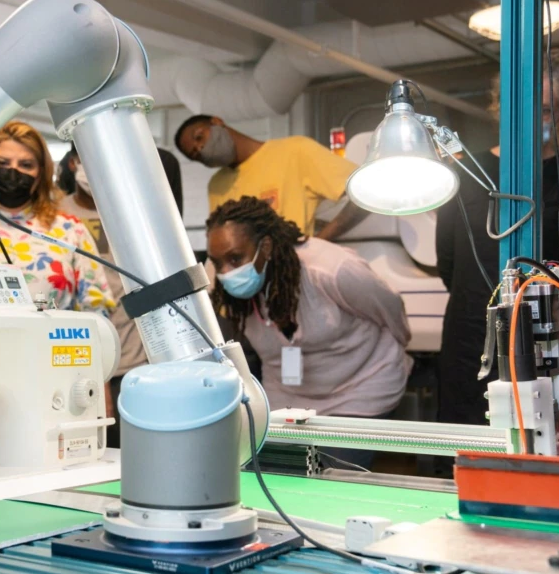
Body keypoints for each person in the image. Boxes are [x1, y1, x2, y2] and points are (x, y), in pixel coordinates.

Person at [436, 49, 559, 432]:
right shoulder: (465, 176)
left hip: (544, 347)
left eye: (545, 110)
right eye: (520, 105)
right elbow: (448, 263)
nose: (530, 118)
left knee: (543, 450)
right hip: (468, 343)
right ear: (500, 107)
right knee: (465, 450)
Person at [0, 121, 114, 440]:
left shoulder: (71, 232)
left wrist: (103, 390)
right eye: (2, 163)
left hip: (57, 388)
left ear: (41, 172)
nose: (13, 171)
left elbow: (96, 320)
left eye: (25, 164)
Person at [207, 197, 411, 468]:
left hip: (359, 389)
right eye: (217, 262)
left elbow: (391, 311)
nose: (225, 272)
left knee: (335, 475)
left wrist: (399, 350)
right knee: (267, 473)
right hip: (286, 395)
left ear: (265, 247)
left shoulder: (332, 269)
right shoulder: (228, 287)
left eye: (235, 258)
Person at [56, 145, 184, 447]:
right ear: (74, 163)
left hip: (134, 352)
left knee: (135, 447)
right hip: (76, 353)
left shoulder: (133, 212)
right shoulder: (57, 217)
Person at [175, 114, 367, 240]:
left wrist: (315, 247)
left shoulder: (295, 151)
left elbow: (365, 192)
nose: (200, 148)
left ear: (216, 122)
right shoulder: (217, 186)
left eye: (199, 137)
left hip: (290, 281)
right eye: (195, 154)